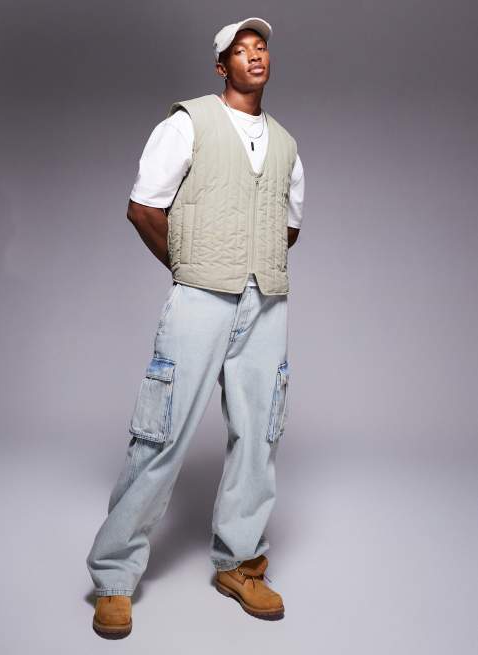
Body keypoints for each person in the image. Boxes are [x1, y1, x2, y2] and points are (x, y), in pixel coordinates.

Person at [86, 16, 305, 638]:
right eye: (241, 49)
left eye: (261, 47)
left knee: (259, 435)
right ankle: (114, 576)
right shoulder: (188, 123)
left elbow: (289, 224)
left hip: (267, 303)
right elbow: (143, 207)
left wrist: (253, 258)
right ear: (221, 66)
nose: (255, 56)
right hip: (199, 299)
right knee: (161, 433)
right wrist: (191, 263)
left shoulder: (286, 143)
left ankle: (240, 563)